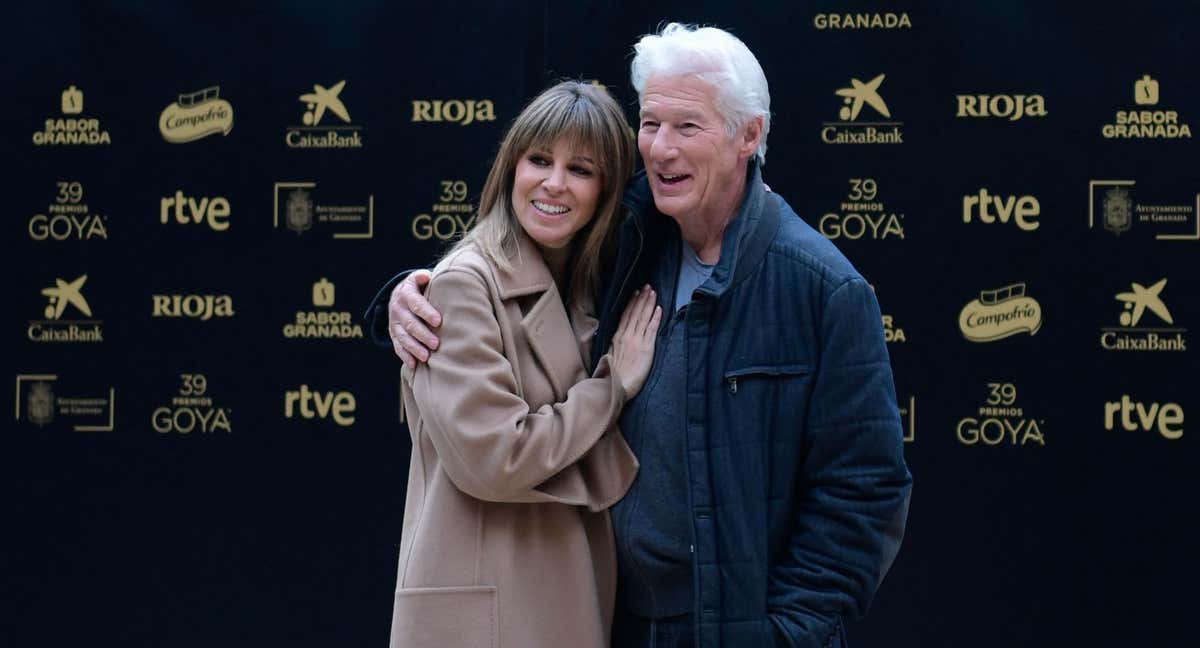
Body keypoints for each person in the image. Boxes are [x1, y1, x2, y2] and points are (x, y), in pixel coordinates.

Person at [369, 24, 912, 648]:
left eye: (688, 126)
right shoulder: (628, 242)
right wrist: (403, 296)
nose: (661, 149)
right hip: (606, 620)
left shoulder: (823, 289)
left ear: (750, 136)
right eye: (650, 125)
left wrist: (790, 633)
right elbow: (508, 267)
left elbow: (865, 489)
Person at [385, 81, 662, 648]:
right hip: (489, 611)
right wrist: (613, 387)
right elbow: (497, 457)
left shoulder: (592, 281)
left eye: (581, 168)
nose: (554, 183)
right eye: (539, 159)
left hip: (559, 594)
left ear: (606, 188)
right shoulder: (464, 283)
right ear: (512, 166)